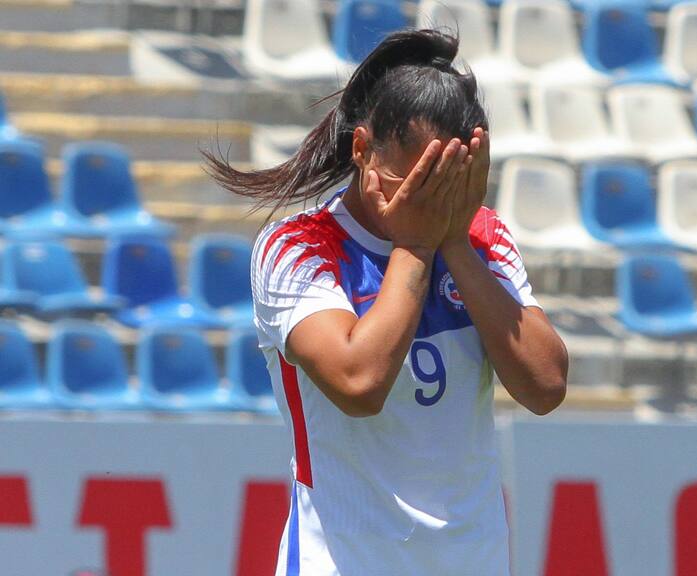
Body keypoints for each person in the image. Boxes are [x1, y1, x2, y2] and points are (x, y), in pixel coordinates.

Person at [206, 28, 568, 576]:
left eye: (452, 179)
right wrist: (418, 245)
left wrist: (454, 242)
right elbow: (359, 383)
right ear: (362, 150)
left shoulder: (483, 238)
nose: (434, 198)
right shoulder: (297, 248)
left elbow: (545, 386)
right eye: (419, 179)